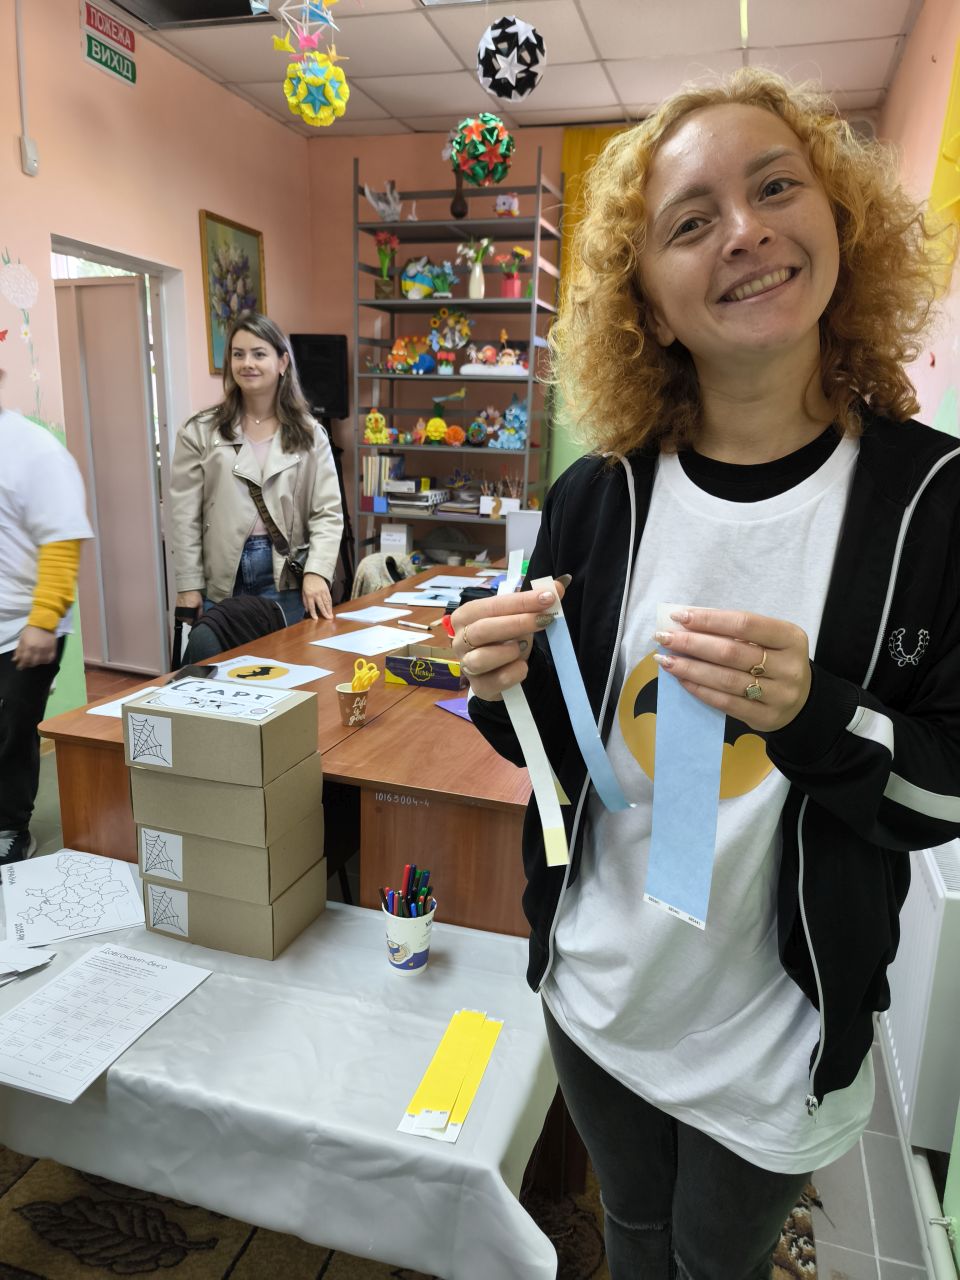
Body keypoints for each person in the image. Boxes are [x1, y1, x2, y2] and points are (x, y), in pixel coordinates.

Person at [451, 68, 960, 1280]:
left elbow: (947, 787)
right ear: (653, 307)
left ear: (840, 222)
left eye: (776, 187)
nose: (744, 230)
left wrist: (820, 714)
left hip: (778, 1043)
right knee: (634, 1232)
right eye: (691, 220)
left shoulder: (934, 504)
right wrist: (499, 681)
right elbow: (560, 755)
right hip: (599, 992)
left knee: (714, 1262)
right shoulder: (597, 496)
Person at [171, 312, 343, 628]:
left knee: (289, 659)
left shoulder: (310, 435)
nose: (247, 363)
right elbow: (184, 517)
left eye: (259, 354)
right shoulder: (199, 431)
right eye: (238, 354)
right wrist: (188, 584)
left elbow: (327, 513)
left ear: (282, 362)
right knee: (221, 660)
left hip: (285, 577)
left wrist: (317, 571)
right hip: (222, 578)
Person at [0, 371, 93, 866]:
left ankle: (9, 826)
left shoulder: (33, 450)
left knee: (12, 731)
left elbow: (61, 539)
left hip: (23, 627)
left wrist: (43, 620)